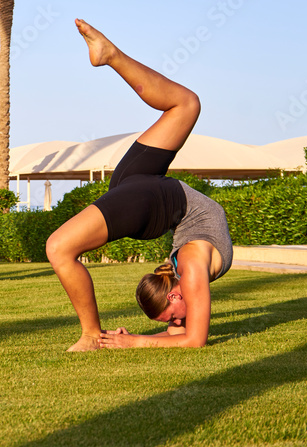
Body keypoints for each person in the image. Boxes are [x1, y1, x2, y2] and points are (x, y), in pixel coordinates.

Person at [45, 19, 233, 351]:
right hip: (150, 193)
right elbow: (192, 340)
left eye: (171, 318)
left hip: (150, 195)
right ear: (174, 293)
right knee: (186, 104)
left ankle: (91, 336)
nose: (177, 323)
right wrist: (135, 341)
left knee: (59, 248)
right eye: (173, 318)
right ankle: (110, 54)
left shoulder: (188, 271)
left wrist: (132, 341)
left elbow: (188, 339)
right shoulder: (191, 271)